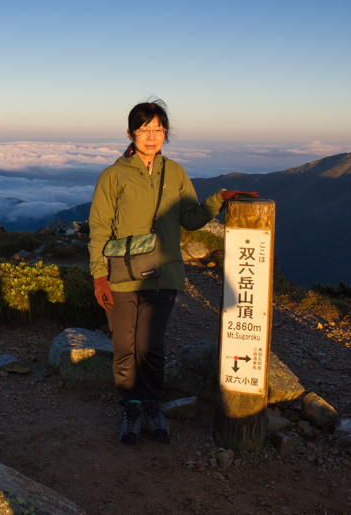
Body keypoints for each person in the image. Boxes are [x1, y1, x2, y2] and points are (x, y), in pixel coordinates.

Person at [88, 99, 254, 444]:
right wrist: (98, 276)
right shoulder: (113, 176)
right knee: (124, 345)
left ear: (166, 132)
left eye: (158, 129)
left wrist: (218, 199)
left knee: (151, 346)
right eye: (144, 129)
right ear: (131, 132)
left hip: (164, 274)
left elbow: (190, 219)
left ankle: (152, 405)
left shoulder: (175, 173)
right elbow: (100, 228)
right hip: (122, 274)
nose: (151, 136)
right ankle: (130, 406)